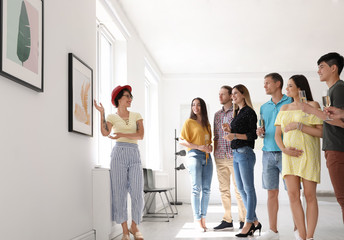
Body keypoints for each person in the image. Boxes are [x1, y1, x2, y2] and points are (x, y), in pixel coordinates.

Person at [275, 75, 323, 240]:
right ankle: (302, 236)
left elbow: (321, 132)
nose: (286, 89)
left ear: (299, 88)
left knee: (309, 196)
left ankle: (310, 237)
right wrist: (284, 150)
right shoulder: (284, 109)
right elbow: (277, 135)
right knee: (293, 196)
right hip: (289, 156)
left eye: (289, 86)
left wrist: (299, 126)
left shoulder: (312, 105)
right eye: (286, 86)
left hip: (308, 155)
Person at [94, 85, 144, 240]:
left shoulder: (136, 115)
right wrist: (102, 114)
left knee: (137, 192)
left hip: (134, 153)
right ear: (118, 99)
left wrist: (122, 133)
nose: (130, 99)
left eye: (130, 97)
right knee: (119, 193)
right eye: (127, 96)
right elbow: (105, 133)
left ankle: (134, 226)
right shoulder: (111, 117)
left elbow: (140, 135)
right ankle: (124, 231)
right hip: (118, 154)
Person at [301, 52, 344, 222]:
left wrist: (311, 111)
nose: (318, 71)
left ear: (334, 68)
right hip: (335, 148)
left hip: (337, 149)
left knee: (342, 199)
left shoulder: (338, 88)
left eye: (321, 67)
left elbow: (339, 121)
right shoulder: (334, 89)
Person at [256, 73, 292, 240]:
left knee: (292, 193)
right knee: (272, 193)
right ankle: (273, 231)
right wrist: (260, 132)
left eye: (267, 83)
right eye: (264, 83)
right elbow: (262, 128)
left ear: (278, 84)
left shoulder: (290, 101)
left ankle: (298, 229)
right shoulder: (264, 107)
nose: (265, 86)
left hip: (287, 153)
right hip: (268, 152)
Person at [223, 84, 261, 238]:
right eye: (231, 94)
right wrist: (229, 131)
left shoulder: (249, 112)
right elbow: (238, 133)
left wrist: (235, 135)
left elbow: (253, 136)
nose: (233, 96)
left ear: (244, 94)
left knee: (248, 189)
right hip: (236, 154)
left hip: (245, 153)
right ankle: (255, 222)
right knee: (241, 189)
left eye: (236, 93)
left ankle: (248, 223)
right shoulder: (237, 112)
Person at [213, 86, 246, 231]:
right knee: (223, 190)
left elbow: (241, 132)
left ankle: (244, 220)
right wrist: (214, 153)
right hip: (220, 156)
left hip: (235, 155)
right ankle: (227, 219)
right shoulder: (217, 115)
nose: (220, 96)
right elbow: (216, 135)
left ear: (230, 95)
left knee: (239, 190)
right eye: (219, 94)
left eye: (223, 94)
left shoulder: (237, 112)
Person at [179, 97, 213, 232]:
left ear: (202, 107)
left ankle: (203, 218)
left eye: (198, 105)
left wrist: (209, 147)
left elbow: (208, 142)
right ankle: (197, 219)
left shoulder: (207, 124)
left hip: (207, 157)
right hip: (194, 156)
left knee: (206, 189)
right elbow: (182, 141)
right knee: (196, 188)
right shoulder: (189, 122)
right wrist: (199, 147)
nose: (195, 107)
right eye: (193, 105)